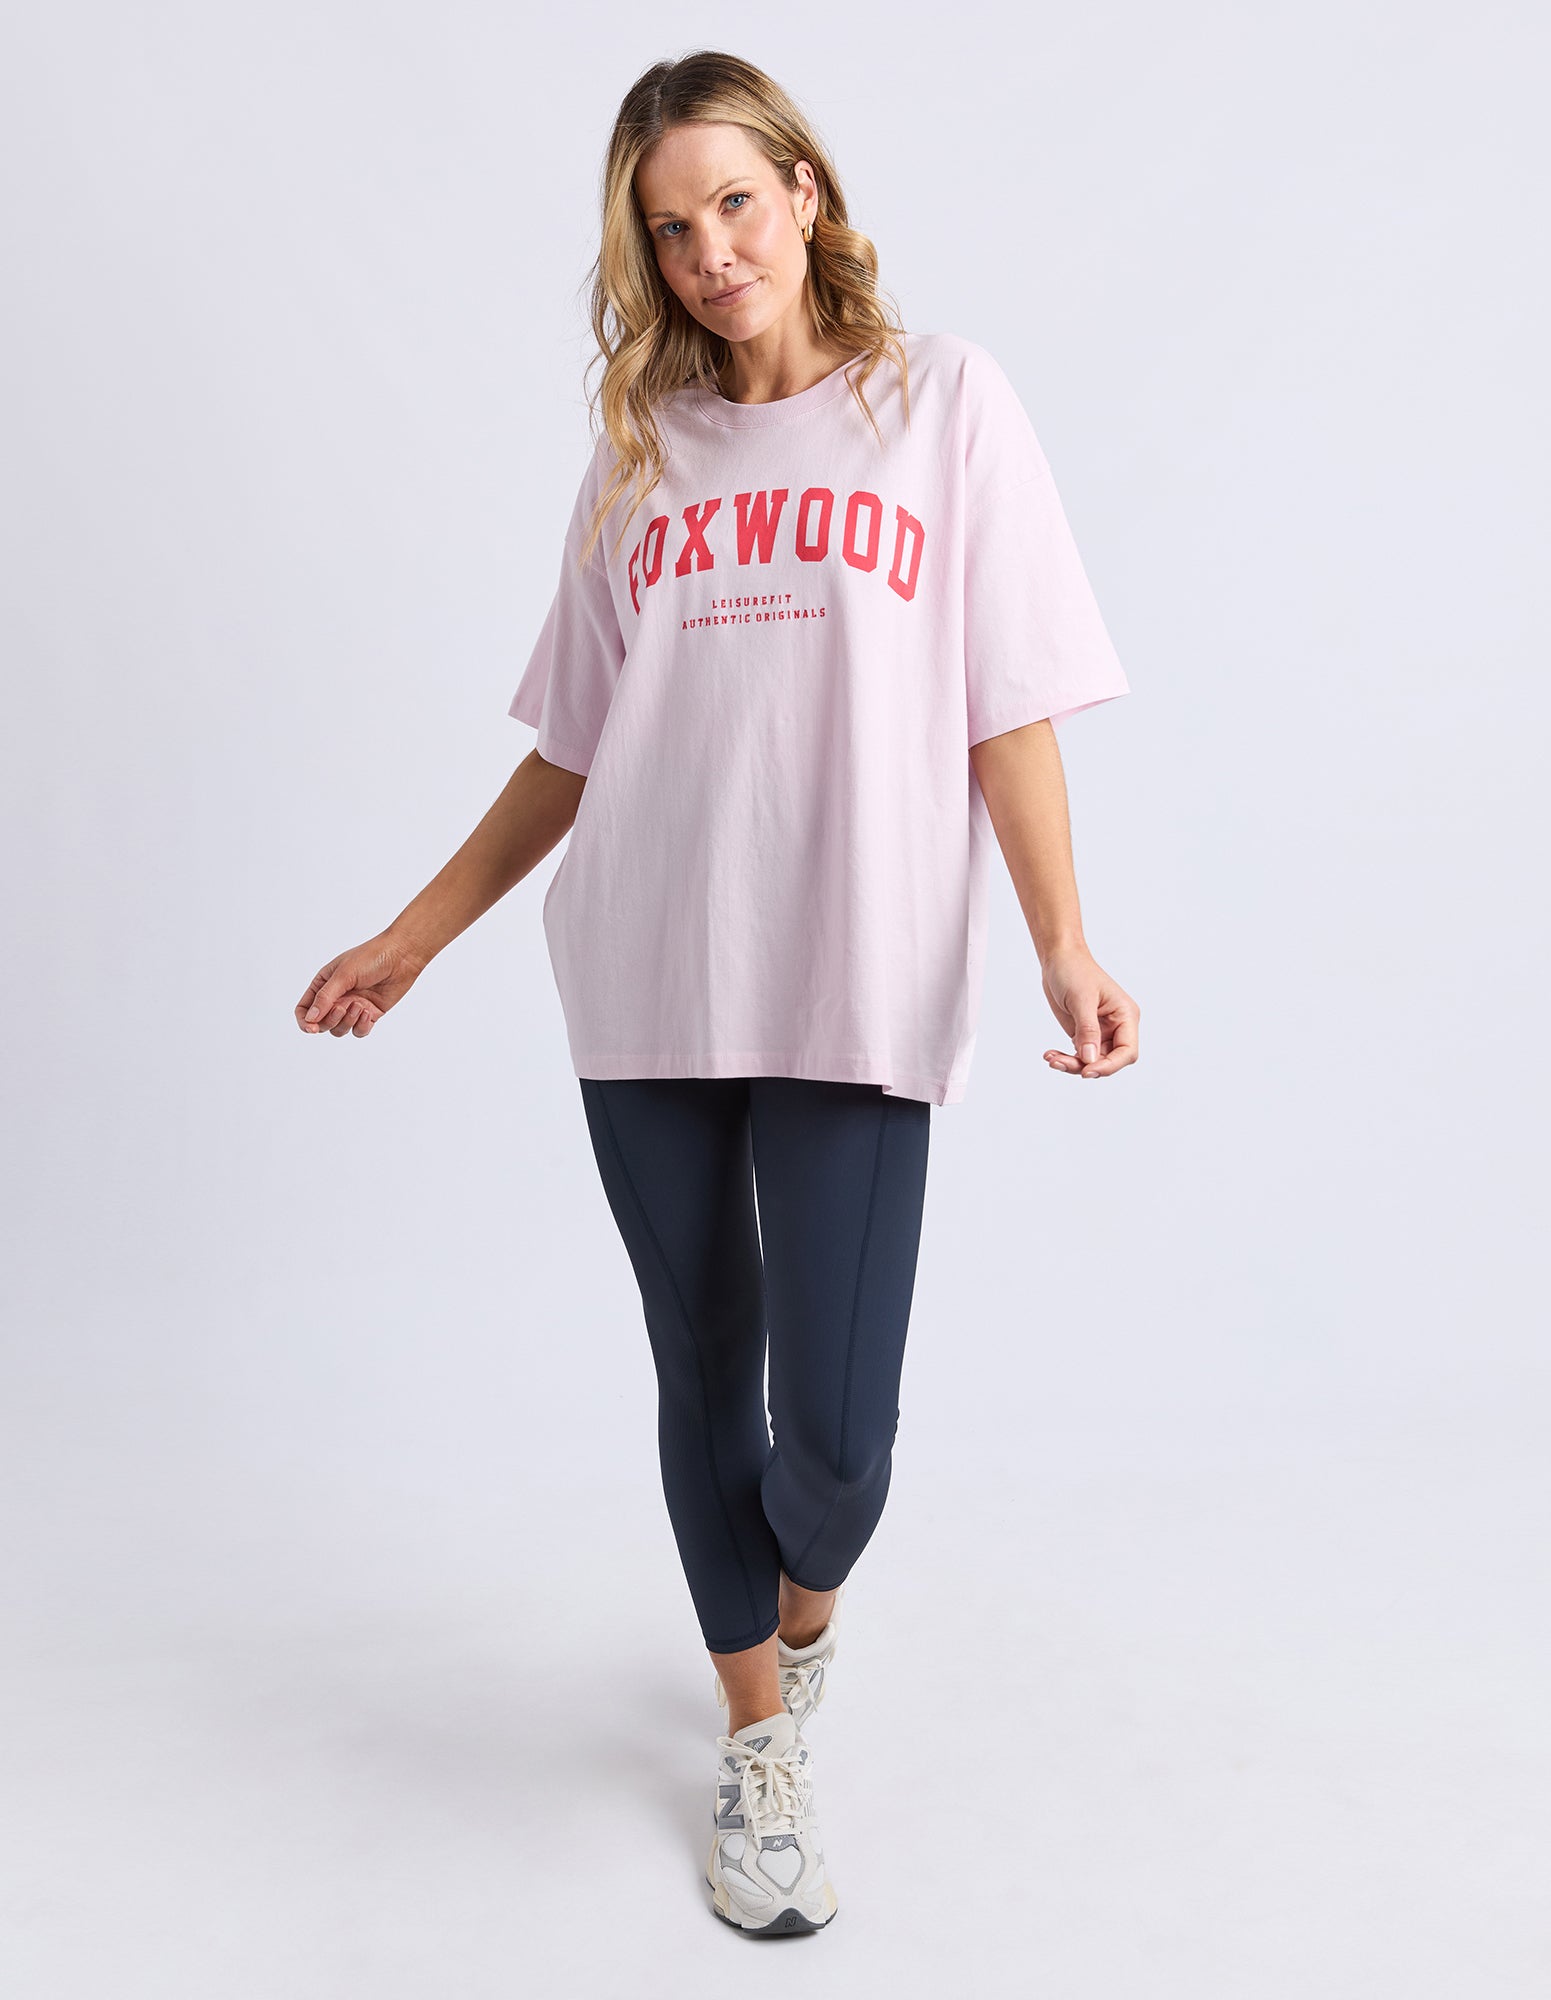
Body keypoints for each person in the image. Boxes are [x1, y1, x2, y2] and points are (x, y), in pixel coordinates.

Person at [293, 49, 1140, 1938]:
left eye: (735, 204)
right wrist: (415, 935)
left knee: (834, 1451)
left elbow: (1008, 703)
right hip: (649, 972)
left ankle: (797, 1615)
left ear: (805, 193)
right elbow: (572, 750)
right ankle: (760, 1745)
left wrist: (1063, 939)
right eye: (670, 231)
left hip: (855, 968)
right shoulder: (642, 453)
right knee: (705, 1373)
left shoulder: (944, 405)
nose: (709, 254)